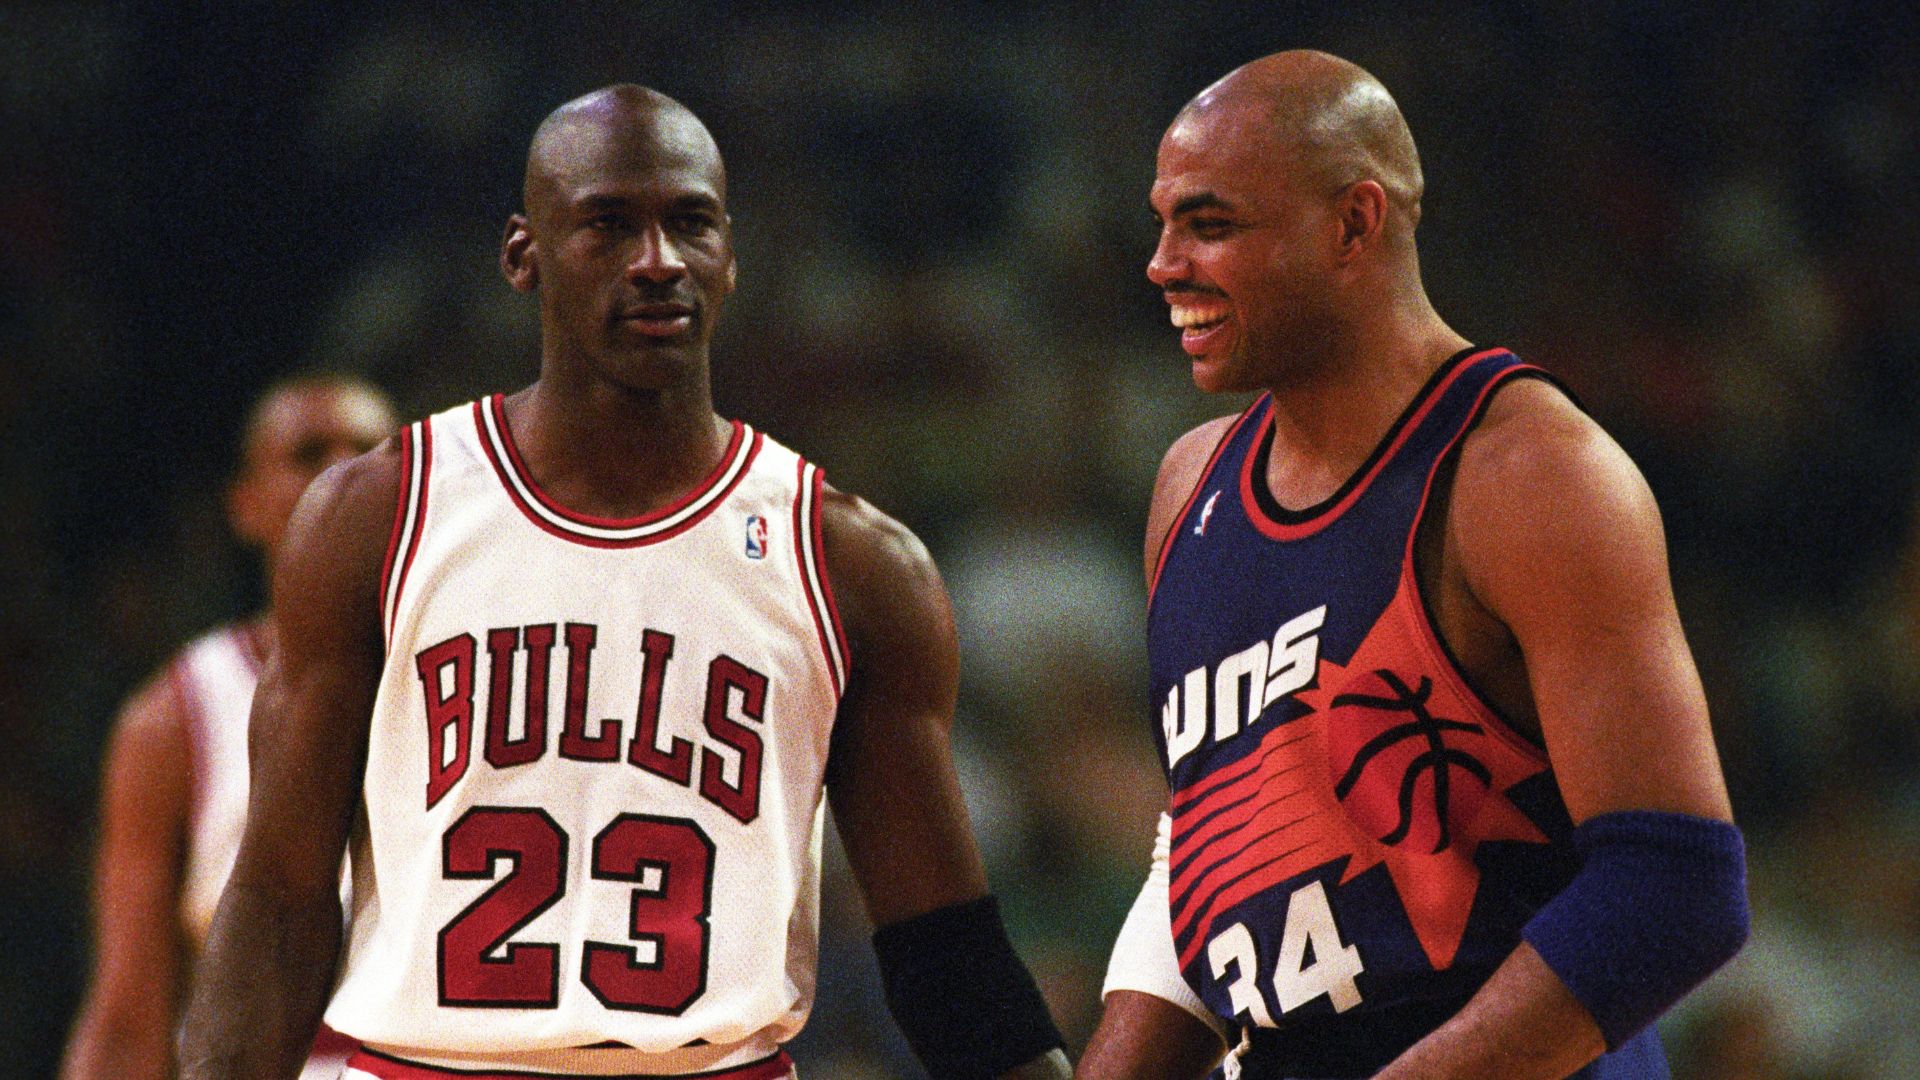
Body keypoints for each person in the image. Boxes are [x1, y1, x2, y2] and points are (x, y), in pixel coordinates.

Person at [177, 85, 1071, 1080]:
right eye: (609, 225)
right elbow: (279, 900)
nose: (657, 261)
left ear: (729, 257)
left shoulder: (852, 563)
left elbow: (945, 955)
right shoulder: (376, 516)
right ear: (523, 256)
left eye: (690, 223)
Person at [1078, 51, 1747, 1080]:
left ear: (1354, 223)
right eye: (1163, 223)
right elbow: (1207, 852)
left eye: (1209, 225)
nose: (1162, 264)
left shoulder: (1528, 471)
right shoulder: (1189, 486)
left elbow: (1675, 888)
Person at [60, 375, 399, 1080]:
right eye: (308, 453)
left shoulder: (476, 665)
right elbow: (128, 1016)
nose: (343, 471)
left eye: (369, 451)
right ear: (245, 506)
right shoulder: (173, 715)